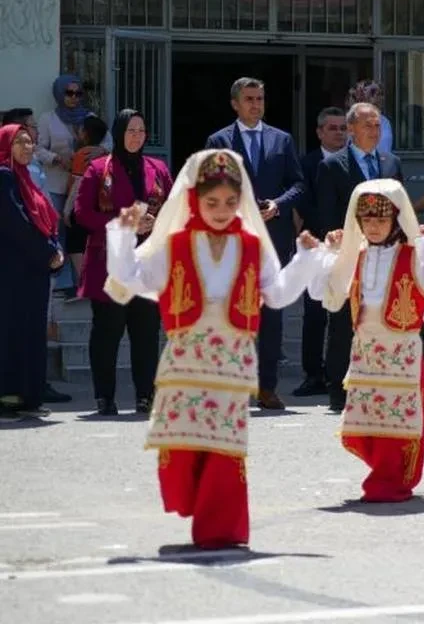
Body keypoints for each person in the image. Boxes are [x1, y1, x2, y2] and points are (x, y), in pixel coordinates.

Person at [105, 150, 322, 549]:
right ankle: (196, 507)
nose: (221, 211)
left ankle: (219, 526)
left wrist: (307, 258)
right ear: (192, 201)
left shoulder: (253, 246)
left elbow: (276, 294)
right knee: (185, 447)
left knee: (224, 448)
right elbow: (130, 278)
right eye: (211, 203)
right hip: (184, 364)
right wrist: (121, 235)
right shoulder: (173, 245)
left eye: (229, 202)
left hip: (232, 366)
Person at [310, 180, 424, 502]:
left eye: (381, 220)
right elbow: (326, 297)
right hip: (365, 352)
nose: (373, 227)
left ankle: (388, 479)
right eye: (367, 221)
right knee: (370, 422)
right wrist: (329, 253)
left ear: (396, 220)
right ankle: (382, 473)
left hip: (401, 352)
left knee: (396, 422)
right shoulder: (355, 253)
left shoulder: (414, 252)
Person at [205, 77, 305, 410]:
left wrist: (278, 205)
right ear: (235, 103)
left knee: (272, 316)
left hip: (272, 239)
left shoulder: (282, 140)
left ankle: (267, 387)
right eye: (249, 98)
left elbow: (298, 184)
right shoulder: (218, 141)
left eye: (260, 98)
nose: (255, 104)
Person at [74, 109, 172, 416]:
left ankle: (146, 395)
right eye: (131, 130)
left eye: (142, 130)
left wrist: (157, 220)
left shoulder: (157, 168)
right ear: (118, 133)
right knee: (107, 332)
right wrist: (126, 223)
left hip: (147, 265)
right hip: (110, 264)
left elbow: (174, 208)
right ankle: (105, 396)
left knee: (145, 333)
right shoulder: (98, 169)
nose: (137, 136)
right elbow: (82, 213)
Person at [313, 103, 403, 412]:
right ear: (351, 129)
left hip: (385, 257)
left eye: (378, 126)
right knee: (342, 323)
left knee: (378, 320)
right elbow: (326, 214)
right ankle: (338, 389)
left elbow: (399, 213)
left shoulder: (391, 163)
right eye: (368, 125)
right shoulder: (333, 166)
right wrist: (338, 241)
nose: (374, 132)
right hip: (349, 256)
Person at [0, 124, 65, 419]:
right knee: (13, 330)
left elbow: (46, 218)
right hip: (14, 270)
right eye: (20, 142)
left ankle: (30, 394)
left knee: (32, 332)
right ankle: (9, 395)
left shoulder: (25, 177)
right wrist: (48, 253)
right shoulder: (4, 177)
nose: (28, 147)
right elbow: (17, 223)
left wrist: (55, 248)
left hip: (34, 269)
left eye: (30, 142)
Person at [292, 107, 349, 398]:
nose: (339, 133)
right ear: (319, 132)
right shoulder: (307, 163)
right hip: (319, 243)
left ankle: (342, 373)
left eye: (343, 128)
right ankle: (313, 374)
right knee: (315, 312)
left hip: (351, 245)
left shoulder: (354, 161)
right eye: (333, 128)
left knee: (345, 311)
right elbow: (302, 200)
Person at [36, 75, 85, 295]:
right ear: (59, 94)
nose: (73, 98)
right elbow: (37, 148)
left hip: (82, 186)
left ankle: (82, 282)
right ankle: (63, 283)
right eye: (69, 93)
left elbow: (106, 143)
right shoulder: (47, 119)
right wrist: (56, 159)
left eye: (77, 93)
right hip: (56, 184)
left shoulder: (88, 117)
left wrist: (88, 157)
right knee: (57, 232)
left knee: (80, 233)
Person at [65, 113, 110, 284]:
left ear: (86, 133)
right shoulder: (106, 156)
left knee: (75, 244)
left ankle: (86, 282)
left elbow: (77, 184)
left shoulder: (82, 154)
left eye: (81, 129)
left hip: (82, 205)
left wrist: (67, 210)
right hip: (99, 207)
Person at [346, 80, 395, 155]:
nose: (381, 98)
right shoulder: (352, 120)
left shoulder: (385, 121)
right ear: (362, 96)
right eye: (375, 94)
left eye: (381, 94)